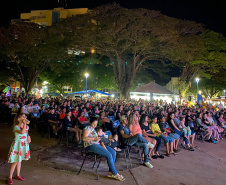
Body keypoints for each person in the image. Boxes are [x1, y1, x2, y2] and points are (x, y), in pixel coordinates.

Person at [83, 117, 125, 181]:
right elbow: (84, 138)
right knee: (109, 155)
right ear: (90, 123)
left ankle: (111, 172)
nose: (95, 125)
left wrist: (102, 140)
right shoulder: (88, 128)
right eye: (93, 124)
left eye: (96, 124)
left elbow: (96, 139)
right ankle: (115, 173)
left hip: (97, 144)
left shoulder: (93, 129)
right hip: (90, 146)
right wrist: (94, 139)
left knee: (113, 152)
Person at [7, 113, 31, 185]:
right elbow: (22, 132)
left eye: (25, 116)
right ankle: (10, 177)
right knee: (15, 162)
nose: (25, 117)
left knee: (19, 161)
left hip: (23, 145)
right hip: (17, 146)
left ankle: (18, 175)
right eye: (23, 116)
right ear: (18, 119)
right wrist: (24, 125)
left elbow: (26, 133)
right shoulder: (16, 127)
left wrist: (28, 136)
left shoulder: (26, 127)